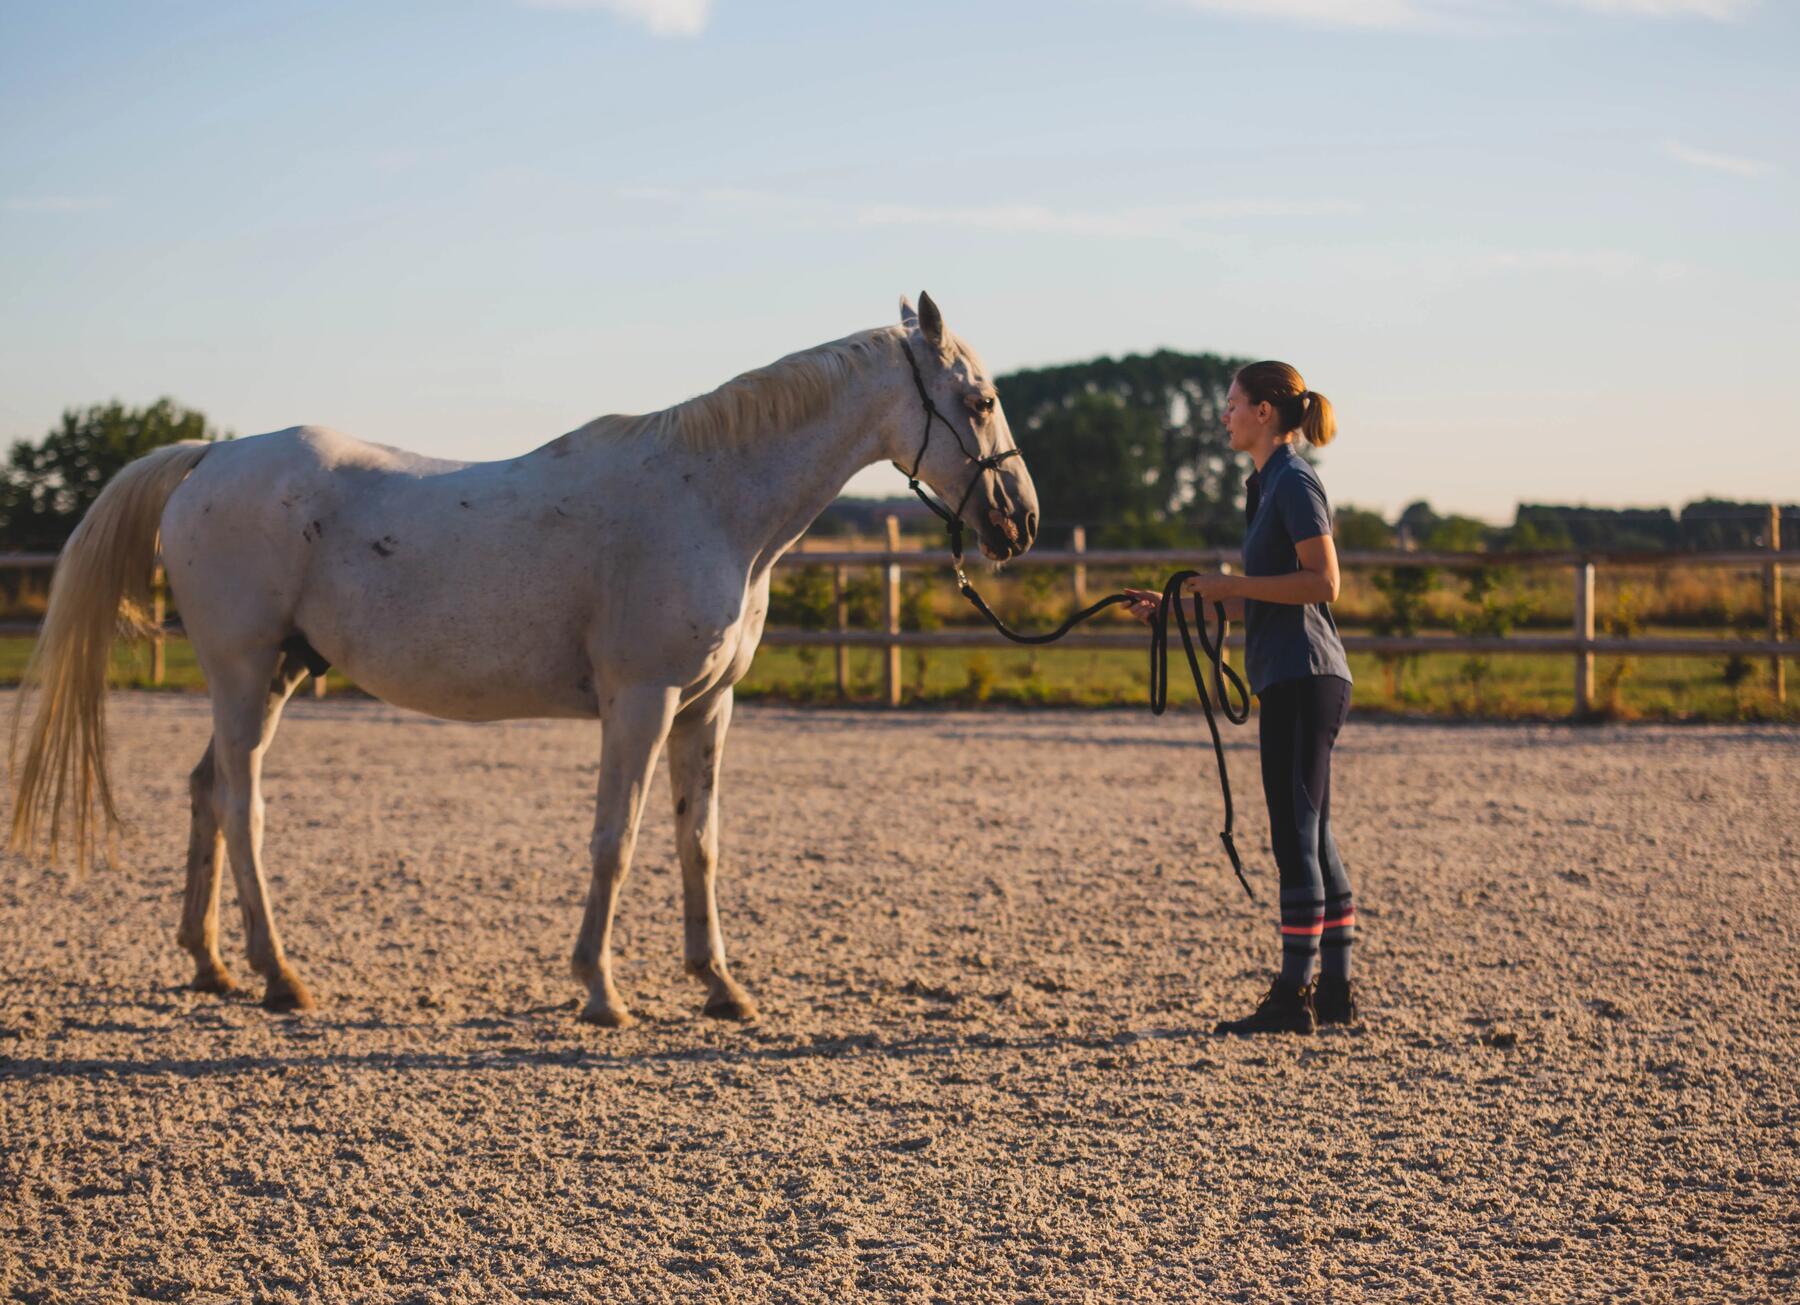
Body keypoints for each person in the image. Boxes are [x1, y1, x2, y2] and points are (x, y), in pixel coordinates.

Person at [1124, 361, 1357, 1036]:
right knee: (1314, 833)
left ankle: (1294, 993)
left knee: (1295, 834)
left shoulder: (1294, 480)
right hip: (1291, 673)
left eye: (1232, 405)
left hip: (1305, 675)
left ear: (1263, 412)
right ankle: (1335, 990)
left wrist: (1235, 585)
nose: (1223, 416)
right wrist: (1175, 604)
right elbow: (1256, 587)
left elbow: (1323, 582)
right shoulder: (1266, 486)